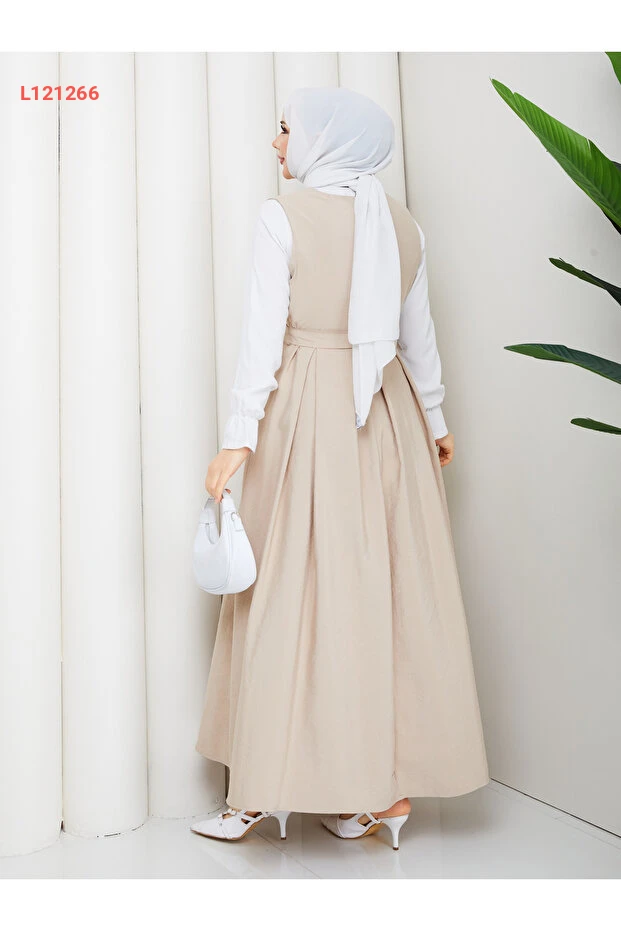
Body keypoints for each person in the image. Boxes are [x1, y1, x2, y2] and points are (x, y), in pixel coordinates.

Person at [191, 86, 489, 849]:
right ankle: (365, 796)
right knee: (371, 602)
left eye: (286, 129)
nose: (277, 143)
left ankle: (259, 790)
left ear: (326, 139)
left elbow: (261, 342)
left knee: (285, 597)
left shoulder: (282, 218)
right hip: (386, 418)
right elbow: (418, 338)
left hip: (305, 414)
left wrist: (238, 437)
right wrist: (437, 421)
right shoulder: (401, 224)